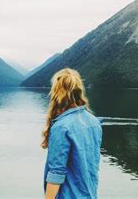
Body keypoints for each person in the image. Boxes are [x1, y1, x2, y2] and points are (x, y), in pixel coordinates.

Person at [43, 68, 102, 199]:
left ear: (56, 92)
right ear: (79, 90)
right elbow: (93, 165)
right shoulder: (94, 122)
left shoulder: (61, 127)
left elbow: (56, 173)